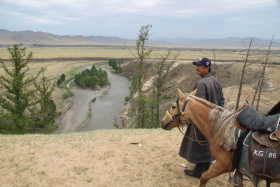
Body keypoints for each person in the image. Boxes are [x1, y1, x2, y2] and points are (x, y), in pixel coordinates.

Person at [179, 57, 225, 178]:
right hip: (215, 119)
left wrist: (194, 119)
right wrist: (219, 116)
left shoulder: (200, 84)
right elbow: (221, 100)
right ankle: (206, 165)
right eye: (196, 66)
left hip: (203, 119)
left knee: (199, 143)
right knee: (208, 142)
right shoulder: (216, 81)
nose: (196, 68)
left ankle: (199, 170)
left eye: (199, 66)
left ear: (207, 67)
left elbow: (198, 106)